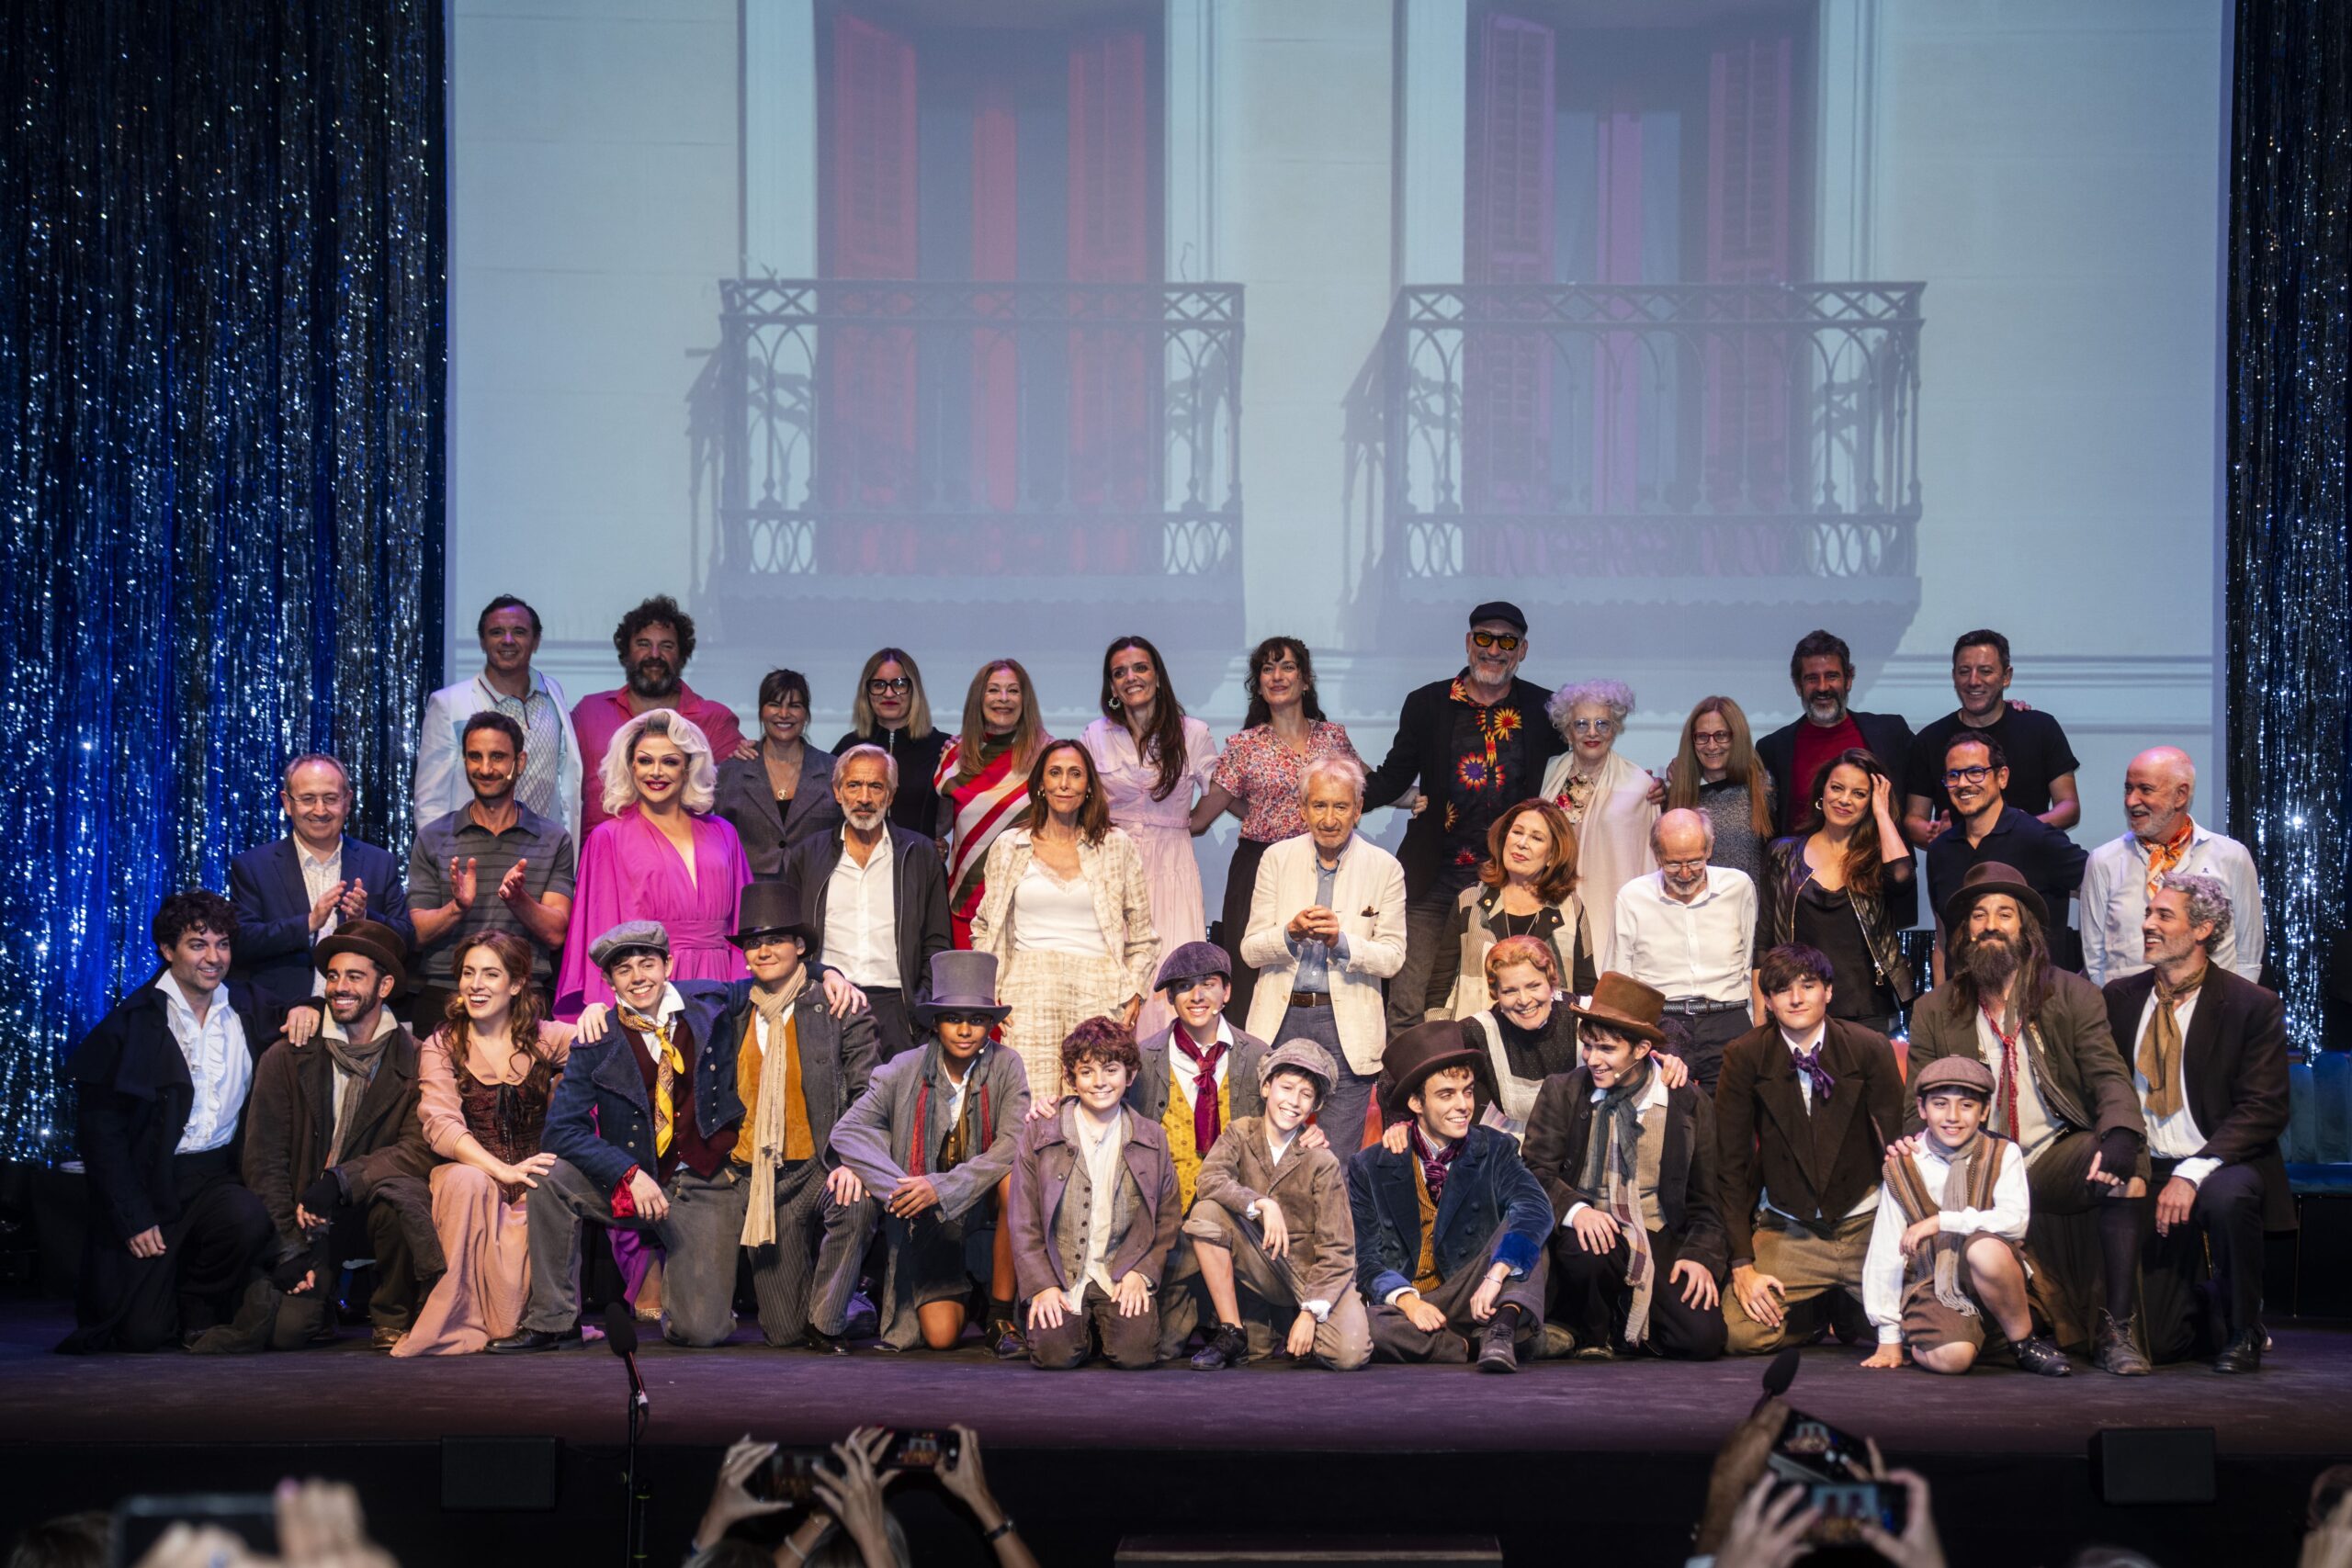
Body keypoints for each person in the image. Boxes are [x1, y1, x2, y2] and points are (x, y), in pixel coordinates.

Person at [571, 885, 880, 1350]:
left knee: (855, 1202)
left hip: (821, 1166)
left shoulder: (836, 1007)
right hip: (761, 1183)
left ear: (800, 947)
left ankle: (832, 1316)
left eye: (777, 939)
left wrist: (853, 1162)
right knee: (782, 1331)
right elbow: (643, 1002)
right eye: (754, 943)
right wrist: (599, 1006)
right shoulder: (727, 1008)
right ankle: (845, 1308)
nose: (764, 950)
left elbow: (868, 1095)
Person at [1905, 861, 2150, 1372]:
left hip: (2049, 1155)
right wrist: (1914, 1156)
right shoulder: (1934, 1009)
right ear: (1965, 933)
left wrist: (2123, 1132)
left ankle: (2117, 1329)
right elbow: (1917, 1105)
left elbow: (2109, 1075)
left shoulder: (2073, 994)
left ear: (2026, 929)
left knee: (2125, 1169)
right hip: (1976, 1170)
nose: (1991, 924)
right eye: (1978, 915)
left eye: (2004, 913)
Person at [60, 892, 277, 1353]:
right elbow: (102, 1134)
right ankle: (164, 1290)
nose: (213, 958)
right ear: (167, 950)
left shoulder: (248, 1006)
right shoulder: (132, 1022)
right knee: (142, 1334)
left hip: (214, 1175)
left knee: (247, 1219)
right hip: (149, 1185)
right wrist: (132, 1217)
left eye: (222, 944)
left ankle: (199, 1301)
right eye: (198, 944)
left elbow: (307, 1009)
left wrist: (306, 1010)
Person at [2104, 874, 2290, 1371]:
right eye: (2148, 913)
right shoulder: (2120, 999)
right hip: (2149, 1163)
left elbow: (2264, 1107)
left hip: (2219, 1160)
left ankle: (2243, 1325)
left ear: (2204, 928)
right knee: (2163, 1345)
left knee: (2227, 1198)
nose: (2148, 924)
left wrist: (2194, 1170)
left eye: (2164, 915)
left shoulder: (2252, 1005)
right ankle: (2207, 1304)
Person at [1363, 602, 1568, 1032]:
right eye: (1484, 638)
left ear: (1522, 650)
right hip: (1433, 877)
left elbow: (1580, 766)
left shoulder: (1544, 708)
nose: (1494, 649)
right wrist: (1336, 798)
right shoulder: (1426, 703)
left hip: (1509, 882)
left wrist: (1645, 786)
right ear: (1468, 643)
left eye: (1507, 641)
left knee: (1502, 999)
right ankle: (1405, 1098)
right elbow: (1392, 776)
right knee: (1409, 1001)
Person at [816, 951, 1033, 1355]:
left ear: (990, 1025)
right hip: (925, 1217)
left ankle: (1000, 1317)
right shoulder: (903, 1067)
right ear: (935, 1022)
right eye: (954, 1019)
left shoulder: (1007, 1066)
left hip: (981, 1199)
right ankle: (969, 1295)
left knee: (1014, 1178)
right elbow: (849, 1131)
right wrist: (900, 1188)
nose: (965, 1030)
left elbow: (1013, 1141)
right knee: (940, 1338)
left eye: (977, 1019)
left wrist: (942, 1188)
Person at [242, 919, 439, 1349]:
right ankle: (323, 1301)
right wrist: (287, 1248)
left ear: (384, 986)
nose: (339, 987)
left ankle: (393, 1310)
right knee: (284, 1333)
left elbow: (418, 1150)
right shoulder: (288, 1055)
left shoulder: (420, 1058)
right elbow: (264, 1161)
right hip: (305, 1214)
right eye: (332, 976)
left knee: (402, 1200)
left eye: (354, 976)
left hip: (368, 1206)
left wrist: (340, 1180)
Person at [1521, 974, 1727, 1360]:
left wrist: (1701, 1255)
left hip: (1657, 1230)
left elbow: (1706, 1197)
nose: (1592, 1059)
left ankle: (1623, 1324)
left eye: (1606, 1049)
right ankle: (1590, 1328)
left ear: (1641, 1049)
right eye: (1587, 1046)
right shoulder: (1563, 1091)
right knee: (1589, 1252)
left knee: (1702, 1339)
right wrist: (1576, 1210)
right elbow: (1534, 1170)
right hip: (1592, 1234)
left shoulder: (1685, 1102)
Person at [1714, 943, 1905, 1356]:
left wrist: (1908, 1231)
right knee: (1738, 1334)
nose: (1796, 998)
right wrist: (1741, 1264)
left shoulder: (1868, 1047)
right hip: (1790, 1226)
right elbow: (1730, 1164)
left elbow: (1898, 1144)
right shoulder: (1745, 1055)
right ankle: (1812, 1311)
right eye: (1782, 990)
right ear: (1767, 1000)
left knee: (1919, 1328)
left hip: (1863, 1225)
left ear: (1828, 991)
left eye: (1808, 985)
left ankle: (1845, 1303)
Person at [391, 931, 573, 1356]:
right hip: (474, 1180)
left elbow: (605, 1041)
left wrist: (600, 1010)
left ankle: (533, 1318)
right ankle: (455, 1317)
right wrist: (500, 1169)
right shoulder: (444, 1044)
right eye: (468, 973)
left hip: (531, 1183)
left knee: (546, 1189)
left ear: (515, 984)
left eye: (491, 974)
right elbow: (440, 1124)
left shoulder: (547, 1038)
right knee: (466, 1181)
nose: (476, 984)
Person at [1348, 1020, 1552, 1371]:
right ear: (1415, 1102)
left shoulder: (1495, 1148)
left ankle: (1502, 1328)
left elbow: (1535, 1208)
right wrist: (1411, 1304)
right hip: (1414, 1301)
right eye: (1447, 1094)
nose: (1463, 1105)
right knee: (1363, 1326)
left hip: (1477, 1289)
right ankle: (1470, 1345)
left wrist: (1495, 1275)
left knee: (1527, 1233)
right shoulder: (1370, 1165)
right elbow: (1367, 1258)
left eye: (1468, 1091)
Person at [970, 739, 1159, 1100]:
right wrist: (990, 988)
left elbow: (1142, 933)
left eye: (1075, 774)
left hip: (1098, 988)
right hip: (1028, 989)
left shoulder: (1116, 846)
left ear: (1088, 786)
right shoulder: (1011, 845)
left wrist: (1134, 989)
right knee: (1030, 1106)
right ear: (1040, 783)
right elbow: (983, 925)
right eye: (1054, 773)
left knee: (1092, 1101)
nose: (1064, 783)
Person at [1859, 1056, 2071, 1377]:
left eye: (1967, 1105)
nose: (1953, 1117)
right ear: (1922, 1108)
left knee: (1983, 1249)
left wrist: (1943, 1221)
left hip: (1996, 1285)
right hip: (1934, 1286)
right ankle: (1936, 1337)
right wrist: (1888, 1334)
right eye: (1941, 1104)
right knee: (1955, 1359)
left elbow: (2015, 1221)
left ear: (1984, 1111)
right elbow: (1886, 1249)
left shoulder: (2002, 1154)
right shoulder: (1904, 1164)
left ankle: (2023, 1342)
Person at [1241, 753, 1408, 1156]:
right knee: (1269, 1153)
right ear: (1302, 809)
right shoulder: (1276, 859)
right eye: (1319, 805)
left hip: (1345, 1024)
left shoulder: (1385, 867)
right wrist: (1290, 934)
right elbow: (1249, 950)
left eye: (1340, 806)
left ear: (1358, 809)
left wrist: (1343, 942)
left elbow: (1393, 957)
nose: (1329, 819)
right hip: (1280, 1020)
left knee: (1337, 1160)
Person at [1193, 635, 1360, 1024]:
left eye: (1286, 666)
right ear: (1259, 685)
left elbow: (1371, 784)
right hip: (1258, 867)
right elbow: (1201, 820)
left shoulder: (1332, 737)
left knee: (1324, 968)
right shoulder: (1244, 745)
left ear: (1305, 680)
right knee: (1253, 975)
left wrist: (1418, 797)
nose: (1277, 676)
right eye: (1267, 669)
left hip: (1327, 865)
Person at [1184, 1039, 1374, 1371]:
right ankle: (1234, 1330)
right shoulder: (1240, 1133)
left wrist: (1310, 1312)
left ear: (1315, 1104)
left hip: (1306, 1274)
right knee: (1206, 1213)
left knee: (1350, 1353)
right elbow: (1210, 1179)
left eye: (1306, 1094)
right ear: (1266, 1087)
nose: (1294, 1101)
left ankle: (1286, 1323)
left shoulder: (1321, 1159)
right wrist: (1260, 1203)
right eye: (1286, 1088)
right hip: (1257, 1261)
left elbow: (1338, 1249)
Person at [1011, 1017, 1182, 1370]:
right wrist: (1042, 1285)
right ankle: (1080, 1328)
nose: (1100, 1082)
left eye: (1111, 1069)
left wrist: (1142, 1273)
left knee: (1136, 1354)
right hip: (1059, 1273)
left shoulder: (1151, 1137)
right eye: (1086, 1071)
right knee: (1054, 1355)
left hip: (1120, 1272)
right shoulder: (1043, 1133)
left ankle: (1103, 1324)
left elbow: (1167, 1219)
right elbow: (1023, 1219)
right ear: (1071, 1078)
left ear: (1130, 1075)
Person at [555, 709, 752, 1017]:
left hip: (720, 986)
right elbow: (597, 930)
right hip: (645, 988)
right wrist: (600, 1004)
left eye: (670, 761)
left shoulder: (723, 833)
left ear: (687, 769)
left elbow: (744, 926)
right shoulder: (608, 838)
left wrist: (746, 995)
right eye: (646, 761)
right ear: (631, 767)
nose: (656, 772)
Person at [781, 743, 953, 1062]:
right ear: (837, 792)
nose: (863, 798)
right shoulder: (806, 856)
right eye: (854, 785)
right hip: (828, 1001)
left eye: (875, 786)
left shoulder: (921, 854)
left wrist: (920, 1006)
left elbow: (937, 943)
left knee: (901, 1110)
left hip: (898, 1009)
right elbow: (791, 940)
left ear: (890, 795)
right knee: (831, 1111)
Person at [1082, 635, 1217, 1039]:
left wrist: (1191, 822)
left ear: (1157, 675)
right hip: (1112, 865)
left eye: (1139, 668)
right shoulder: (1096, 734)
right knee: (1113, 972)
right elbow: (1084, 801)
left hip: (1172, 864)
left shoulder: (1192, 732)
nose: (1130, 678)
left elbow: (1221, 789)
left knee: (1172, 970)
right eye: (1119, 673)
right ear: (1111, 686)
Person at [405, 711, 575, 1026]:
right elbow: (415, 933)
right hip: (446, 993)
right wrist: (456, 908)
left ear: (519, 762)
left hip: (523, 995)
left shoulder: (553, 840)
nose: (485, 768)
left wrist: (518, 900)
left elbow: (556, 934)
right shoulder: (433, 837)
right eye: (475, 757)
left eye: (497, 756)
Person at [227, 753, 413, 1009]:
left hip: (361, 1016)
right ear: (287, 802)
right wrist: (308, 923)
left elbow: (406, 939)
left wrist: (365, 920)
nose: (320, 810)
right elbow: (241, 942)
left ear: (347, 801)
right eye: (307, 799)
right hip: (280, 1016)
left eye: (330, 798)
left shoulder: (380, 862)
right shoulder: (252, 866)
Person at [1757, 749, 1917, 1036]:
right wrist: (1761, 1015)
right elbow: (1764, 941)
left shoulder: (1877, 857)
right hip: (1799, 1007)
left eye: (1859, 793)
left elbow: (1902, 878)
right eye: (1837, 788)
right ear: (1822, 792)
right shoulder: (1783, 854)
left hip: (1869, 1010)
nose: (1844, 800)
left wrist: (1881, 813)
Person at [2080, 746, 2265, 986]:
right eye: (2128, 789)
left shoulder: (2231, 857)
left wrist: (2234, 1013)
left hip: (2213, 1011)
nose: (2131, 800)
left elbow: (2249, 954)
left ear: (2181, 795)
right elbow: (2095, 959)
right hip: (2130, 1012)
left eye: (2145, 789)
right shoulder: (2104, 861)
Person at [571, 594, 749, 834]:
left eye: (666, 646)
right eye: (643, 644)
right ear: (626, 653)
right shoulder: (590, 713)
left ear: (682, 656)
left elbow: (746, 792)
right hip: (602, 861)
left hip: (683, 862)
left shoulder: (715, 720)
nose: (654, 655)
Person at [414, 593, 583, 840]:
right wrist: (442, 861)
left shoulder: (552, 694)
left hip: (544, 855)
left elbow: (565, 780)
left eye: (519, 632)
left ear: (536, 641)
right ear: (482, 641)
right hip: (475, 854)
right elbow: (430, 801)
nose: (507, 640)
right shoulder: (449, 704)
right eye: (496, 632)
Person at [1613, 808, 1759, 1092]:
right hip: (1663, 1022)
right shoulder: (1633, 897)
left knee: (1732, 1121)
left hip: (1728, 1018)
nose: (1684, 873)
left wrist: (1754, 1025)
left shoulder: (1738, 887)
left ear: (1710, 848)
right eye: (1672, 864)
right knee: (1667, 1124)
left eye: (1694, 861)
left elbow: (1749, 962)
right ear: (1656, 855)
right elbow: (1622, 977)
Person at [1922, 732, 2087, 977]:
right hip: (1964, 1007)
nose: (1964, 783)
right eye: (1953, 775)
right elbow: (1943, 943)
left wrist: (2093, 973)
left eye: (1976, 772)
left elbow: (2103, 888)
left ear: (2002, 777)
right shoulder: (1941, 850)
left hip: (2037, 1004)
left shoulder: (2037, 839)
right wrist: (1939, 1010)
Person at [1901, 628, 2083, 845]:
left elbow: (2069, 806)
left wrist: (2021, 831)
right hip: (1959, 869)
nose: (1973, 681)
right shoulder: (1930, 739)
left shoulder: (2041, 728)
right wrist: (1936, 834)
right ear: (1953, 676)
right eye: (1964, 671)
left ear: (2006, 677)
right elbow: (1914, 818)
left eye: (1985, 671)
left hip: (2030, 865)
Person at [1538, 679, 1659, 977]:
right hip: (1553, 903)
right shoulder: (1547, 774)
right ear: (1567, 730)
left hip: (1608, 906)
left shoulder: (1639, 785)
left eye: (1602, 724)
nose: (1592, 733)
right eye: (1581, 724)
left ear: (1615, 728)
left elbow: (1648, 862)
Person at [1752, 629, 1916, 834]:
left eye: (1832, 676)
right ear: (1798, 686)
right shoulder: (1773, 749)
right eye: (1812, 678)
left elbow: (1924, 784)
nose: (1822, 687)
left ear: (1848, 680)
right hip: (1804, 864)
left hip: (1880, 864)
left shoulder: (1891, 733)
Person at [1434, 797, 1587, 1018]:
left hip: (1549, 1042)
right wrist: (1442, 1038)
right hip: (1475, 1038)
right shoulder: (1470, 899)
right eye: (1517, 832)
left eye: (1536, 837)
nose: (1522, 843)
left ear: (1552, 856)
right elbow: (1441, 983)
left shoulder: (1569, 908)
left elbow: (1585, 988)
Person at [935, 658, 1049, 949]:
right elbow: (939, 826)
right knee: (969, 994)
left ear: (1025, 700)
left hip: (1027, 901)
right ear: (979, 698)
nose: (1003, 699)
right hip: (966, 904)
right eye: (993, 690)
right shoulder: (954, 755)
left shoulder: (1046, 755)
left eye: (1013, 691)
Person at [716, 667, 842, 877]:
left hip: (816, 894)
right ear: (761, 711)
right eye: (774, 704)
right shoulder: (730, 773)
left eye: (794, 706)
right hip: (750, 896)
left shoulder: (833, 770)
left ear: (806, 713)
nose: (784, 714)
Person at [832, 647, 951, 841]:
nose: (889, 693)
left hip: (919, 866)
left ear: (914, 690)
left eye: (899, 684)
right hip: (859, 867)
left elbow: (953, 816)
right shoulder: (848, 747)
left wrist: (934, 844)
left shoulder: (942, 747)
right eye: (879, 685)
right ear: (867, 691)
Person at [1666, 695, 1777, 890]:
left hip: (1749, 913)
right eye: (1702, 736)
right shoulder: (1679, 794)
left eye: (1721, 735)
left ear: (1737, 737)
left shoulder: (1762, 788)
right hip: (1693, 914)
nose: (1711, 745)